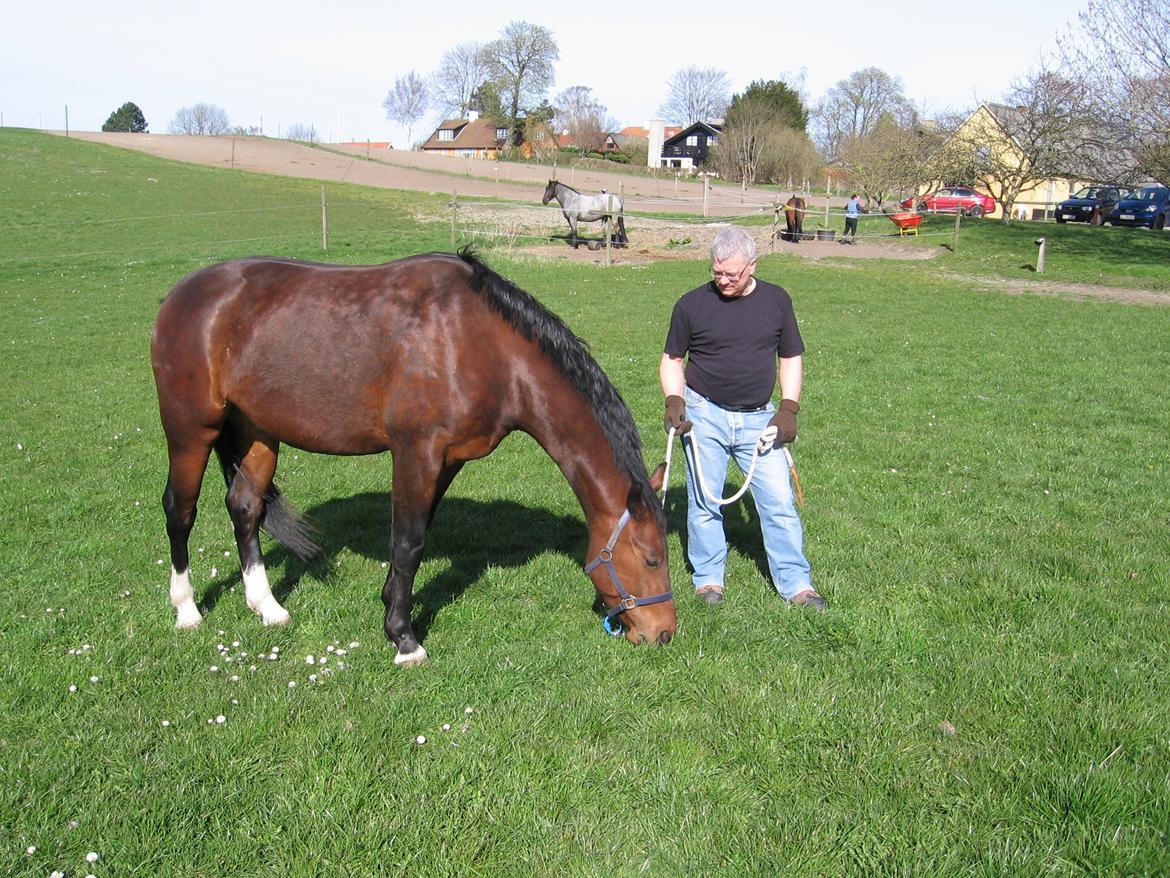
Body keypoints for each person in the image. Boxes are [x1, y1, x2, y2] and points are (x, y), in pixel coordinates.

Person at [659, 226, 825, 610]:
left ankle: (797, 584)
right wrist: (673, 399)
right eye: (717, 272)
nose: (724, 280)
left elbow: (791, 358)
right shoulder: (691, 304)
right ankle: (708, 580)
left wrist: (788, 409)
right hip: (704, 414)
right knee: (704, 502)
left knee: (779, 502)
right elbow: (672, 360)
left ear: (753, 265)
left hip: (759, 420)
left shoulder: (777, 301)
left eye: (733, 274)